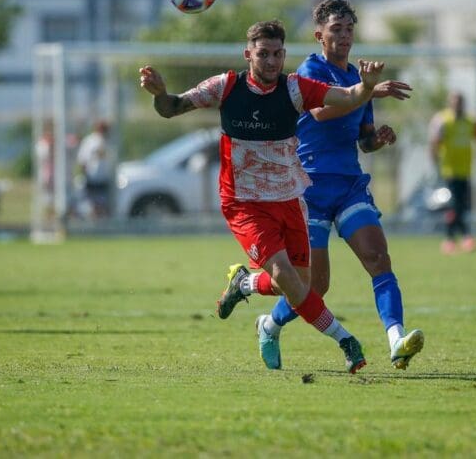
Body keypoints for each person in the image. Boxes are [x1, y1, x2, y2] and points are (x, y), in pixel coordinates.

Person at [139, 19, 394, 373]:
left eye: (277, 54)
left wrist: (365, 86)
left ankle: (243, 283)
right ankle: (345, 340)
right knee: (286, 276)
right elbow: (172, 107)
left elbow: (348, 97)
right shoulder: (225, 86)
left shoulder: (295, 89)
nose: (271, 61)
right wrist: (159, 94)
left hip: (289, 199)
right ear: (248, 55)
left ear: (284, 54)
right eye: (263, 54)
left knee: (302, 284)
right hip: (244, 203)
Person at [253, 0, 422, 372]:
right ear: (319, 35)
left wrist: (378, 138)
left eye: (349, 29)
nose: (344, 36)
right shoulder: (311, 70)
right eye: (336, 29)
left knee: (378, 258)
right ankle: (269, 324)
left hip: (348, 185)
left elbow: (364, 140)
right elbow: (320, 111)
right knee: (315, 286)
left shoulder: (360, 79)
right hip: (309, 188)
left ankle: (397, 340)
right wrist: (367, 89)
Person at [429, 91, 476, 254]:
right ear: (450, 103)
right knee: (456, 204)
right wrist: (434, 161)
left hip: (465, 169)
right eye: (454, 102)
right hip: (448, 169)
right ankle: (462, 237)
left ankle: (452, 239)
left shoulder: (471, 121)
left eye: (459, 102)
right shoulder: (442, 120)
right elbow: (435, 142)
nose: (457, 105)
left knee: (459, 205)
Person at [76, 119, 113, 218]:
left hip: (104, 179)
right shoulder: (90, 141)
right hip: (92, 178)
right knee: (93, 205)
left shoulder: (109, 141)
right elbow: (83, 160)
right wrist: (85, 175)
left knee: (104, 206)